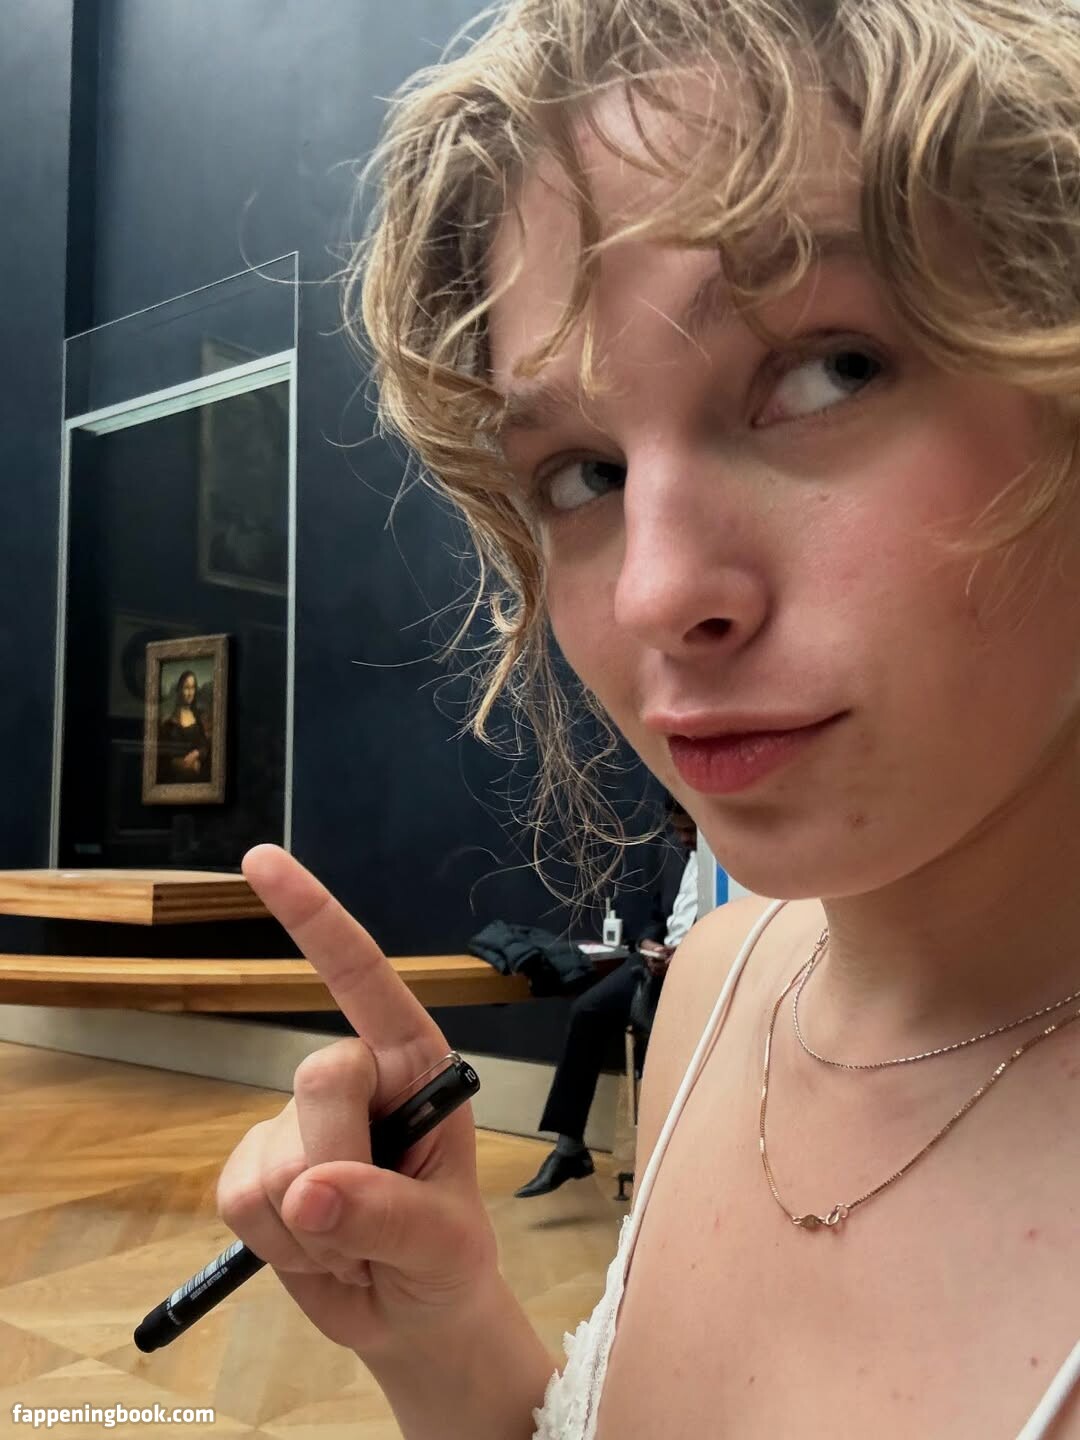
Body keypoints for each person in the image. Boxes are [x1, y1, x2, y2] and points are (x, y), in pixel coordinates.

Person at [217, 3, 1080, 1436]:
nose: (658, 594)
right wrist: (443, 1337)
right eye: (581, 473)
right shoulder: (722, 987)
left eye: (827, 371)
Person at [514, 798, 697, 1197]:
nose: (683, 838)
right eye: (677, 829)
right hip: (654, 964)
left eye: (689, 830)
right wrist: (647, 943)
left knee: (663, 1040)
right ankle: (569, 1147)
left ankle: (668, 1162)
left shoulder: (730, 862)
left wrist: (690, 954)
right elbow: (657, 917)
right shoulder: (670, 851)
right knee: (587, 1010)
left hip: (701, 969)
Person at [156, 670, 211, 783]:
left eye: (193, 688)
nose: (190, 693)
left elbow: (205, 746)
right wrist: (182, 764)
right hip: (175, 780)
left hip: (199, 778)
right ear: (179, 690)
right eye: (186, 688)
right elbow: (164, 757)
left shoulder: (198, 717)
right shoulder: (169, 722)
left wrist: (196, 754)